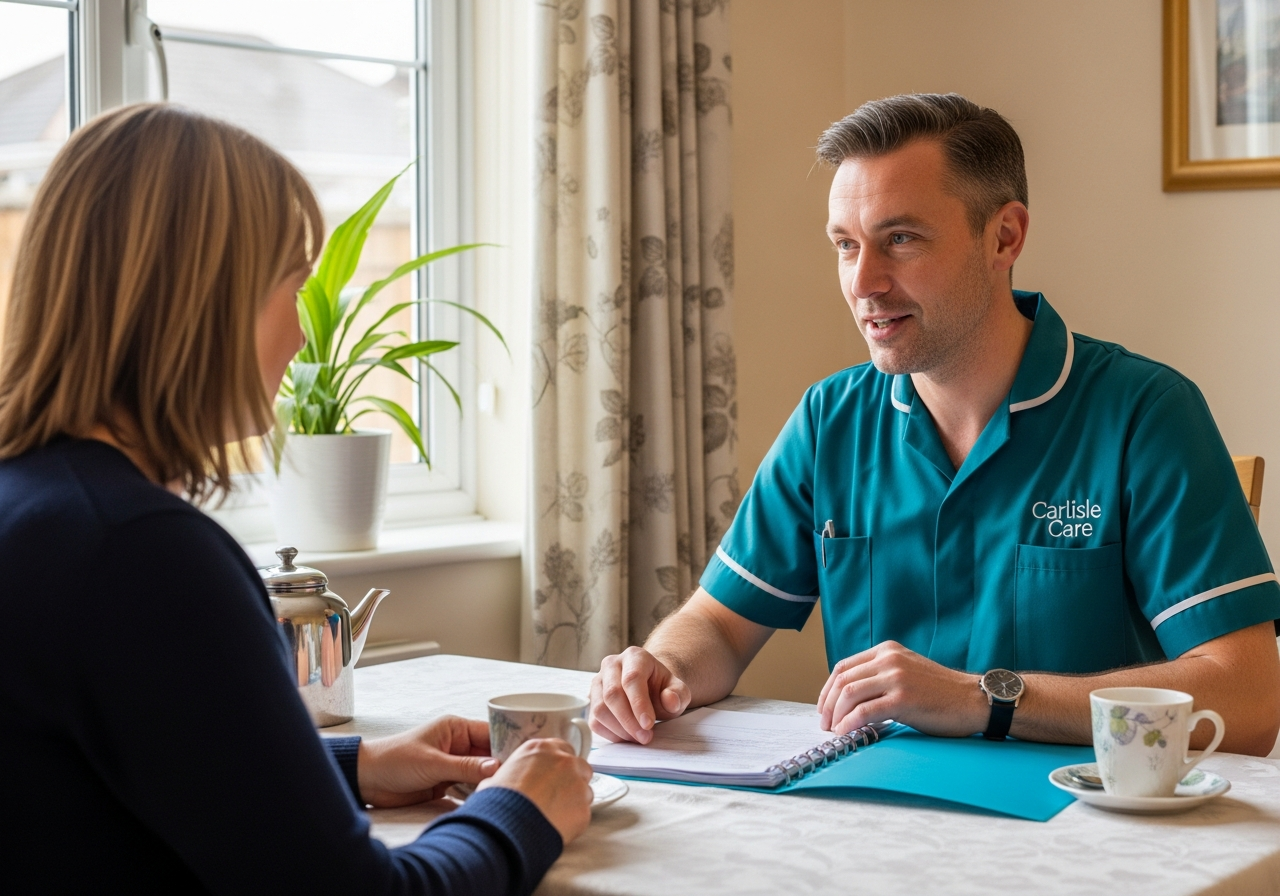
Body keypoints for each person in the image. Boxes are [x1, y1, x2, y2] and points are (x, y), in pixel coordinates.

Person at [0, 103, 592, 894]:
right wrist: (519, 811)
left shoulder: (35, 508)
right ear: (205, 300)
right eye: (293, 291)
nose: (305, 339)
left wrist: (350, 765)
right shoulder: (138, 552)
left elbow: (96, 783)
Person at [589, 93, 1280, 757]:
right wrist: (660, 669)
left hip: (1081, 831)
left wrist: (987, 698)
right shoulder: (831, 418)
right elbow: (717, 624)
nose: (864, 281)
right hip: (878, 823)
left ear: (1004, 237)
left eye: (901, 239)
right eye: (845, 245)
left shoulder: (1145, 413)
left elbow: (1248, 701)